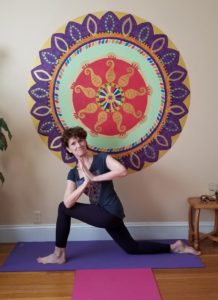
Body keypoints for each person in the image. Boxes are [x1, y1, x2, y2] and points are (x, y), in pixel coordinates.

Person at [37, 126, 200, 264]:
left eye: (80, 140)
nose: (78, 145)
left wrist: (95, 177)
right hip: (101, 213)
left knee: (61, 207)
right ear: (68, 149)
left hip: (110, 212)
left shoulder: (102, 159)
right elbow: (68, 203)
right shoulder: (73, 173)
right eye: (73, 143)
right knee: (132, 248)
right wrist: (85, 184)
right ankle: (175, 247)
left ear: (85, 141)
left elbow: (121, 171)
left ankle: (59, 254)